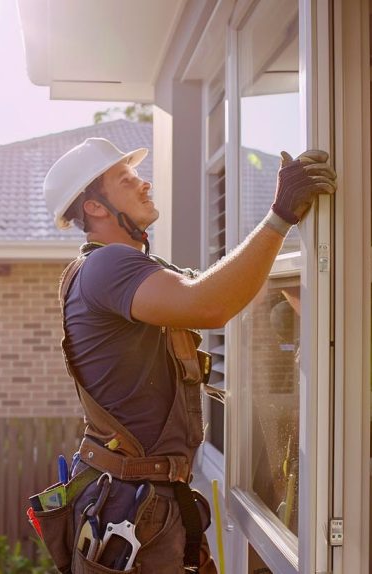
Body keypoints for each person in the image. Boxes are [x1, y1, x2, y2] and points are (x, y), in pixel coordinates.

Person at [39, 137, 336, 573]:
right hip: (133, 502)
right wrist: (280, 217)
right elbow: (209, 304)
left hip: (137, 494)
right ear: (95, 207)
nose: (144, 184)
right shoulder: (109, 266)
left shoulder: (127, 268)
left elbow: (225, 287)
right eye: (125, 180)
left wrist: (302, 288)